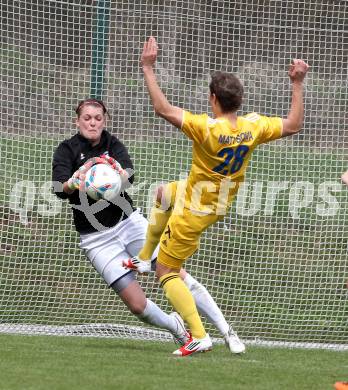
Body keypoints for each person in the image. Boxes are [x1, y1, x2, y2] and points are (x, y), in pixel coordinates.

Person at [124, 36, 309, 356]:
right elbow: (293, 125)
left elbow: (162, 108)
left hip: (196, 209)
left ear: (213, 99)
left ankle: (198, 335)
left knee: (166, 272)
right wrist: (297, 83)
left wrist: (148, 68)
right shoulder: (253, 125)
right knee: (164, 193)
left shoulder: (205, 128)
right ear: (239, 100)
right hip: (216, 198)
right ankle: (143, 257)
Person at [52, 98, 243, 353]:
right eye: (87, 118)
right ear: (77, 121)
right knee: (137, 306)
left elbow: (130, 176)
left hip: (129, 223)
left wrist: (117, 175)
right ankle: (176, 327)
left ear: (104, 120)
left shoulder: (112, 144)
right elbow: (59, 189)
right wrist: (74, 183)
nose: (93, 122)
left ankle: (226, 330)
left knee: (174, 272)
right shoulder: (66, 150)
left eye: (98, 117)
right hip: (95, 239)